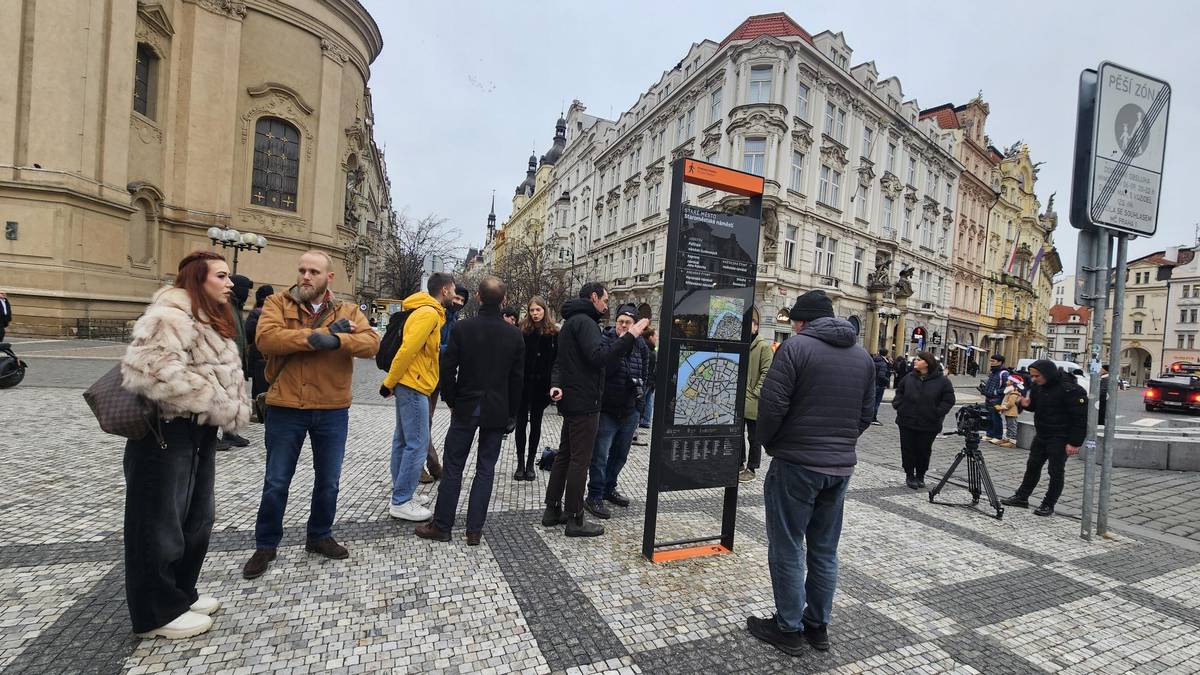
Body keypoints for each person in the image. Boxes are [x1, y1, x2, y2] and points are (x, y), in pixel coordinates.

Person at [120, 251, 252, 638]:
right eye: (222, 275)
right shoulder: (171, 314)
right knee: (158, 521)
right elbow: (149, 370)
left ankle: (180, 593)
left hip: (199, 430)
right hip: (166, 430)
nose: (230, 283)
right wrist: (209, 398)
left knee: (195, 519)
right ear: (198, 279)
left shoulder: (208, 316)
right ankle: (155, 613)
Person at [746, 290, 876, 656]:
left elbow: (771, 407)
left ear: (802, 322)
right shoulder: (862, 356)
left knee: (788, 546)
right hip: (839, 467)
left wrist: (771, 444)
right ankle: (817, 625)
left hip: (797, 464)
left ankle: (788, 628)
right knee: (824, 549)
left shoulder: (795, 349)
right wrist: (842, 442)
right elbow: (867, 413)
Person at [242, 251, 379, 580]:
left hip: (331, 408)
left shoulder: (347, 309)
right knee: (276, 481)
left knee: (328, 482)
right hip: (286, 406)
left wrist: (334, 339)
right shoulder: (278, 303)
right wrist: (313, 337)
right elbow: (266, 339)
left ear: (328, 277)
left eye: (314, 271)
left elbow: (372, 343)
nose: (306, 276)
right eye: (302, 269)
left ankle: (319, 535)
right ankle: (266, 544)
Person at [415, 276, 524, 546]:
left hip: (466, 405)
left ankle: (442, 526)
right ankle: (474, 530)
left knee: (453, 466)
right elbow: (517, 379)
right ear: (504, 301)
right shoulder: (514, 334)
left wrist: (452, 399)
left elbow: (447, 368)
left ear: (477, 296)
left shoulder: (463, 328)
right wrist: (511, 413)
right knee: (485, 469)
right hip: (496, 409)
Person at [544, 282, 648, 537]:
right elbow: (599, 357)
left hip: (573, 400)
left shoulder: (571, 322)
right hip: (585, 402)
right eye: (604, 299)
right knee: (581, 460)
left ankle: (552, 510)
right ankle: (575, 518)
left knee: (566, 456)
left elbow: (563, 361)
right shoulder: (586, 323)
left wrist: (557, 385)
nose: (606, 304)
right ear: (593, 297)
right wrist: (630, 336)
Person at [379, 272, 457, 521]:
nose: (455, 295)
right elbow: (407, 350)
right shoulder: (428, 313)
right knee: (417, 443)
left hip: (411, 383)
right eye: (453, 290)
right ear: (444, 290)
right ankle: (401, 500)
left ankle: (403, 492)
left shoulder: (426, 310)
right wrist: (389, 382)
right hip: (414, 385)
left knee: (402, 441)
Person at [585, 304, 649, 519]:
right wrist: (622, 345)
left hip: (630, 410)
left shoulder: (641, 346)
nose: (623, 324)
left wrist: (639, 407)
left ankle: (608, 488)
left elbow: (646, 375)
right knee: (600, 455)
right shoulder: (606, 340)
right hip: (607, 409)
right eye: (621, 321)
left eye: (628, 322)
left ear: (634, 324)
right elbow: (602, 370)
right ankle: (594, 495)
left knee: (620, 455)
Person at [1001, 360, 1088, 517]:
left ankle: (1048, 504)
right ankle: (1022, 497)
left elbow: (1080, 419)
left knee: (1055, 471)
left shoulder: (1070, 389)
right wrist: (1025, 403)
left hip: (1061, 437)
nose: (1033, 379)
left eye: (1037, 376)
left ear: (1048, 374)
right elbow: (1035, 405)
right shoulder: (1038, 386)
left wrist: (1074, 442)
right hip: (1042, 434)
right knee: (1032, 466)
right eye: (1032, 376)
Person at [421, 283, 468, 484]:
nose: (457, 303)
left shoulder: (455, 320)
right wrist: (452, 349)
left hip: (438, 377)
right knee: (421, 424)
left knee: (425, 423)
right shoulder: (435, 315)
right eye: (456, 298)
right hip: (423, 376)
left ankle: (430, 465)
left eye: (461, 301)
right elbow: (430, 345)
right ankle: (425, 466)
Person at [891, 351, 956, 488]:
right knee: (907, 449)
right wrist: (899, 405)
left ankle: (920, 475)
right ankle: (910, 475)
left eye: (918, 359)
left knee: (923, 450)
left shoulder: (942, 381)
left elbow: (948, 400)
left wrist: (936, 413)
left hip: (929, 423)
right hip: (906, 421)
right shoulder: (909, 377)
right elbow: (899, 392)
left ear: (927, 363)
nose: (915, 361)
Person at [514, 296, 558, 481]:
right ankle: (520, 464)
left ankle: (531, 463)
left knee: (536, 425)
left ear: (544, 310)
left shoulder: (553, 332)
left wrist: (553, 385)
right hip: (523, 384)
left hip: (542, 385)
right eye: (532, 310)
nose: (535, 314)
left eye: (538, 310)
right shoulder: (522, 330)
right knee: (520, 424)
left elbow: (556, 360)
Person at [216, 274, 254, 450]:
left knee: (232, 399)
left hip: (235, 363)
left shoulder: (236, 306)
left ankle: (230, 433)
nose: (248, 294)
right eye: (246, 290)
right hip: (225, 365)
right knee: (218, 400)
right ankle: (211, 436)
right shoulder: (225, 306)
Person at [740, 317, 773, 482]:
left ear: (756, 326)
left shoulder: (763, 346)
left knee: (754, 437)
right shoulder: (742, 344)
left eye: (749, 325)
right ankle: (739, 463)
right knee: (737, 434)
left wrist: (756, 392)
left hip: (753, 400)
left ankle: (751, 468)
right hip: (739, 398)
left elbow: (767, 371)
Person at [244, 284, 275, 423]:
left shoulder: (256, 312)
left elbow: (249, 332)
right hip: (271, 353)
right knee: (267, 381)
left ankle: (258, 412)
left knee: (258, 383)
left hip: (257, 353)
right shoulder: (275, 311)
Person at [981, 355, 1010, 439]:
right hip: (989, 398)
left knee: (995, 417)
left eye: (993, 361)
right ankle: (989, 434)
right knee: (989, 417)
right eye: (991, 361)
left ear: (1000, 362)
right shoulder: (994, 372)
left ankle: (997, 436)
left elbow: (1008, 386)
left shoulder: (1004, 373)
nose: (991, 362)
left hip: (997, 399)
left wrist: (996, 392)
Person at [993, 373, 1024, 448]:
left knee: (1012, 426)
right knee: (1008, 425)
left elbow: (1010, 404)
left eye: (1008, 381)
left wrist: (1001, 407)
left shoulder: (1013, 393)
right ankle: (1007, 439)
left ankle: (1012, 442)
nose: (1007, 382)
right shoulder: (1010, 391)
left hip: (1012, 413)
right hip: (1009, 412)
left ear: (1013, 382)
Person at [638, 327, 658, 430]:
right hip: (650, 380)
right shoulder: (650, 350)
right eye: (655, 336)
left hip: (647, 380)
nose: (656, 338)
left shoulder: (646, 348)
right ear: (650, 337)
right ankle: (645, 420)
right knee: (648, 400)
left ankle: (643, 420)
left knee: (643, 400)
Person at [870, 350, 892, 426]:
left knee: (871, 401)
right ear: (886, 354)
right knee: (876, 403)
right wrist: (887, 380)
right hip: (880, 385)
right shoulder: (883, 363)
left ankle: (868, 417)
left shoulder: (873, 360)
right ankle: (873, 418)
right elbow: (881, 375)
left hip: (872, 383)